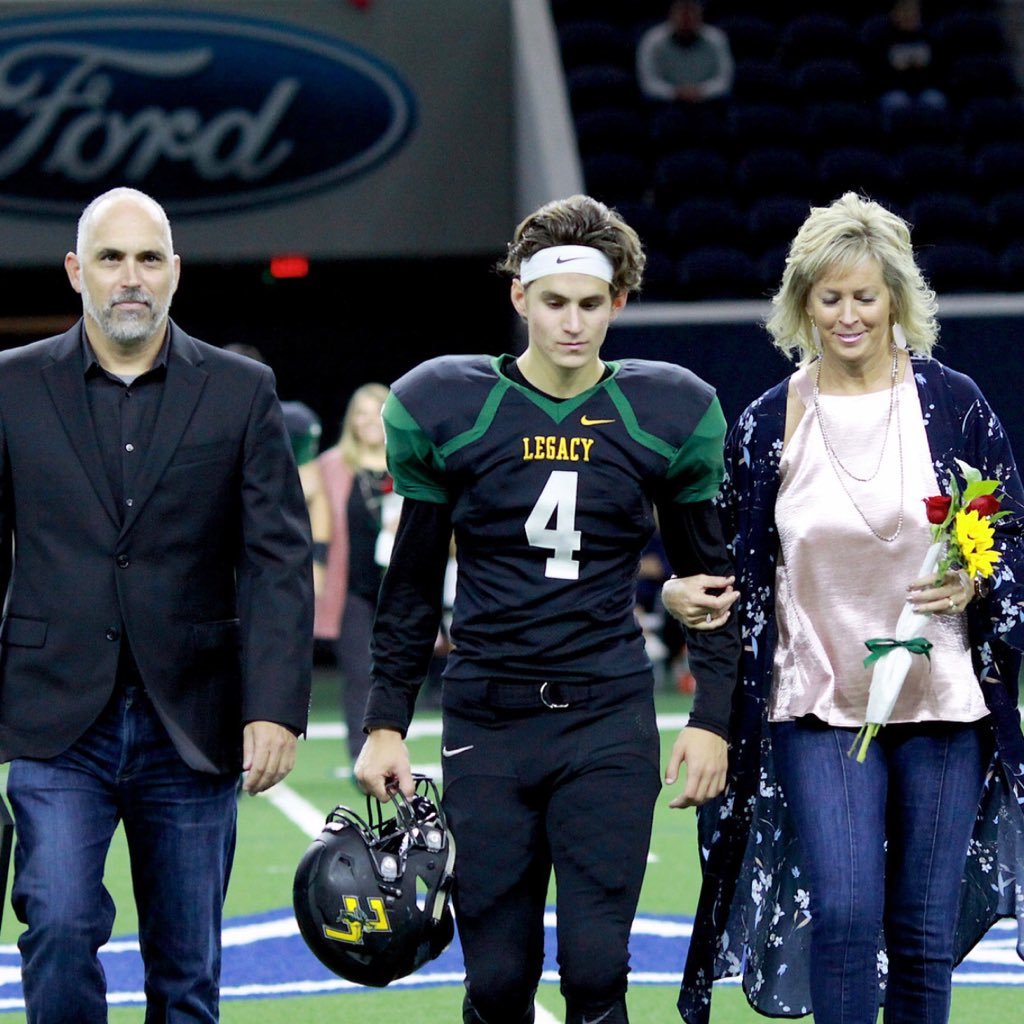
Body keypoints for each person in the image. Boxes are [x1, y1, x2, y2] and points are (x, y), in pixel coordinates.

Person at [354, 193, 740, 1024]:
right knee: (497, 979)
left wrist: (711, 717)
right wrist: (385, 718)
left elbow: (713, 582)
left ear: (619, 305)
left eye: (591, 304)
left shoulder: (662, 410)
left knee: (596, 968)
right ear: (519, 296)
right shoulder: (449, 404)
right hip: (487, 716)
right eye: (555, 302)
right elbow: (413, 583)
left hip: (606, 715)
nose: (573, 323)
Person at [665, 192, 1024, 1023]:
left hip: (944, 706)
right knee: (847, 915)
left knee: (922, 931)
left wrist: (979, 582)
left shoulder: (956, 404)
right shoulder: (765, 425)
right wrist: (680, 594)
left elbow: (1010, 534)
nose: (849, 315)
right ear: (803, 304)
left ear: (897, 296)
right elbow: (726, 570)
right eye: (830, 298)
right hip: (816, 705)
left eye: (866, 295)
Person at [0, 187, 314, 1022]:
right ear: (76, 271)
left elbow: (278, 556)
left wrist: (277, 706)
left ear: (175, 273)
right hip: (53, 716)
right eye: (110, 258)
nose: (129, 278)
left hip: (196, 718)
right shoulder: (11, 387)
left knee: (186, 973)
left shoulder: (243, 390)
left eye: (147, 259)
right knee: (59, 929)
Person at [311, 382, 397, 767]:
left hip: (399, 588)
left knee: (397, 669)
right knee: (360, 673)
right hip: (352, 589)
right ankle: (358, 753)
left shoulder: (408, 460)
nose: (368, 421)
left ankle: (394, 746)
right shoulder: (331, 466)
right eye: (360, 413)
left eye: (376, 411)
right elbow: (313, 520)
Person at [636, 0, 734, 105]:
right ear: (671, 14)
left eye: (692, 11)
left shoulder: (716, 39)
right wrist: (675, 92)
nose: (686, 17)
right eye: (681, 12)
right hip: (665, 104)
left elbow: (724, 80)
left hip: (706, 102)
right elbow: (649, 81)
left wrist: (701, 91)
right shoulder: (652, 40)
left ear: (700, 14)